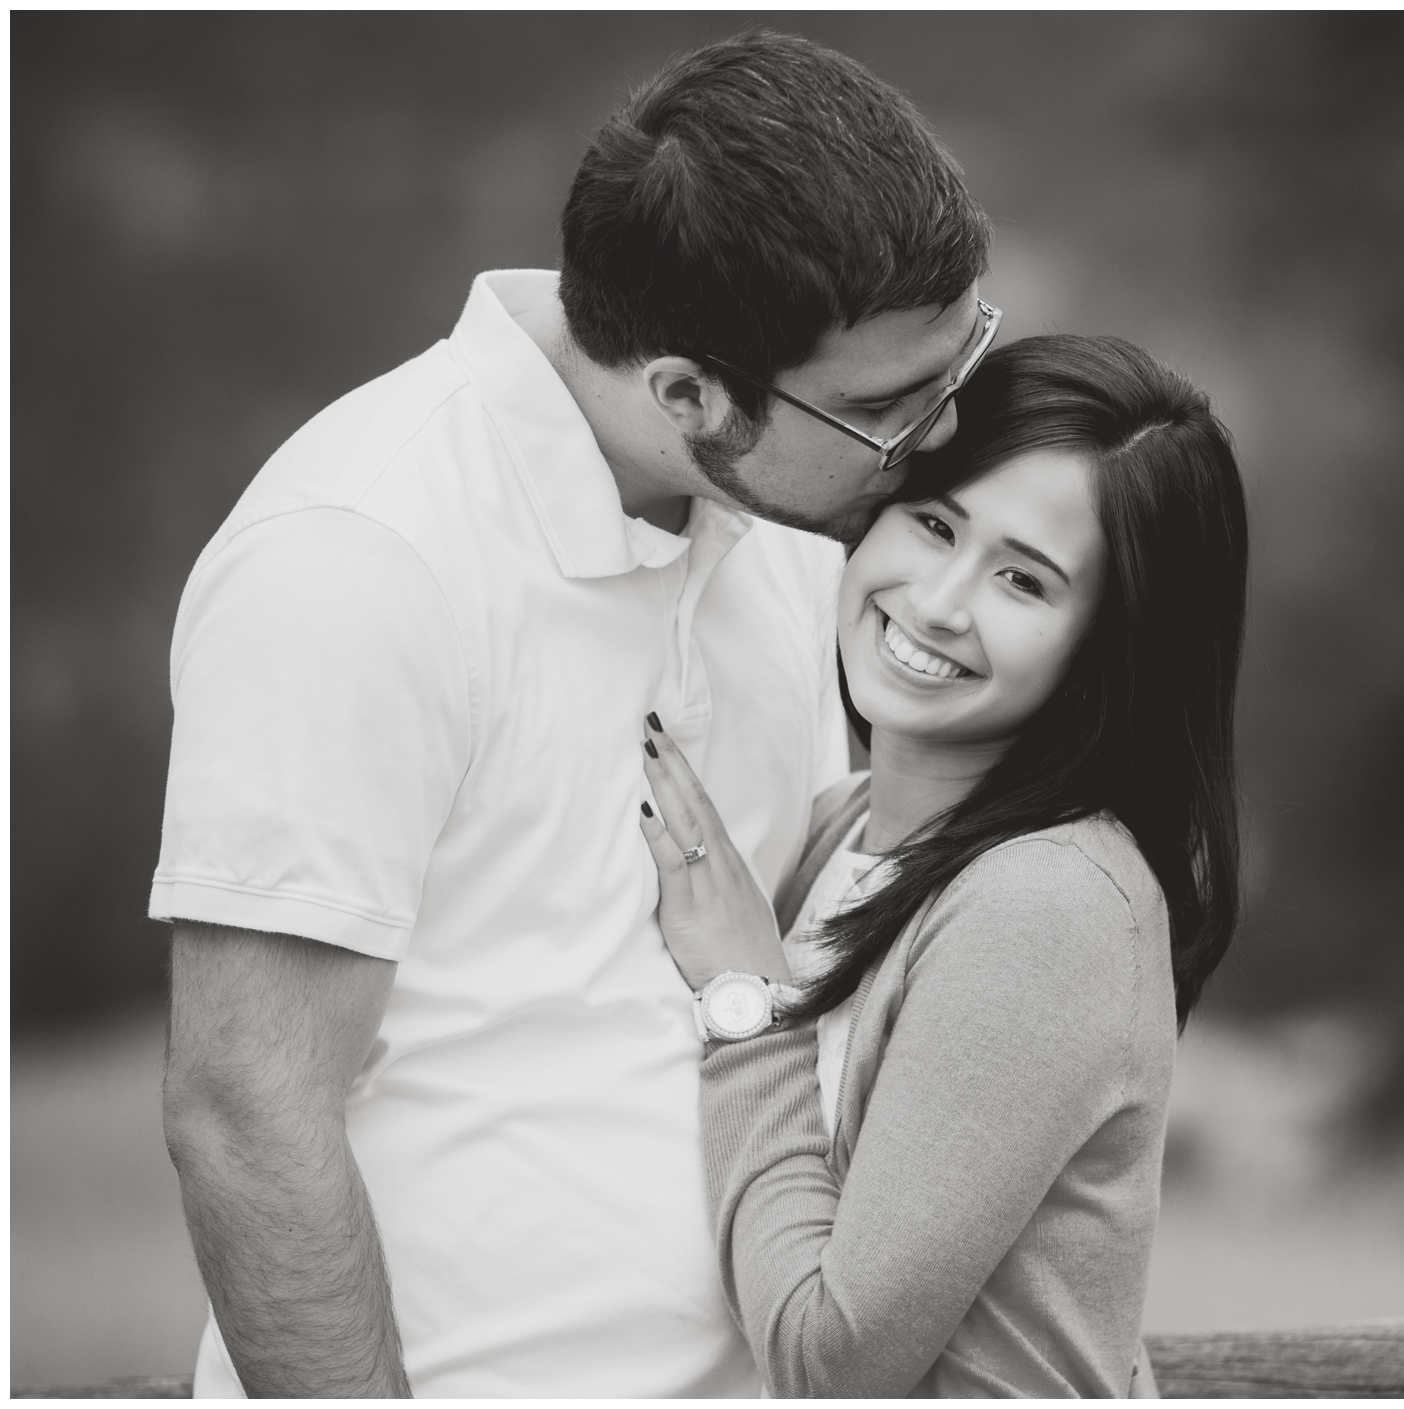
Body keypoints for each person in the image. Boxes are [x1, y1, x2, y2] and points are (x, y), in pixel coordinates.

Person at [152, 33, 994, 1398]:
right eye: (890, 411)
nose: (943, 437)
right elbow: (247, 1114)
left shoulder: (785, 508)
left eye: (960, 365)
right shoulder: (356, 557)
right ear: (685, 394)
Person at [635, 334, 1249, 1396]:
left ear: (1110, 648)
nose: (935, 601)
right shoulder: (847, 833)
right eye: (933, 522)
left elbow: (833, 1357)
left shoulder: (1049, 903)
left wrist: (747, 1003)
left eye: (1022, 578)